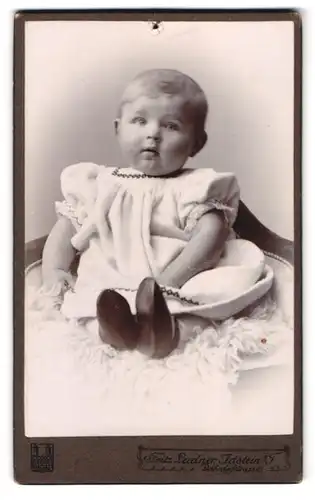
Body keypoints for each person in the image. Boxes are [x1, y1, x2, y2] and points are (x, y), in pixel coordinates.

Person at [42, 68, 270, 359]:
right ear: (118, 128)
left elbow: (211, 235)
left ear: (196, 142)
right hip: (112, 274)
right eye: (139, 120)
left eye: (171, 126)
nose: (152, 133)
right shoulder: (98, 183)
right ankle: (112, 331)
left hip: (177, 277)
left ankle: (167, 334)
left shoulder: (196, 185)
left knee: (201, 306)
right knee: (91, 304)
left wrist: (169, 281)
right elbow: (67, 227)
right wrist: (55, 270)